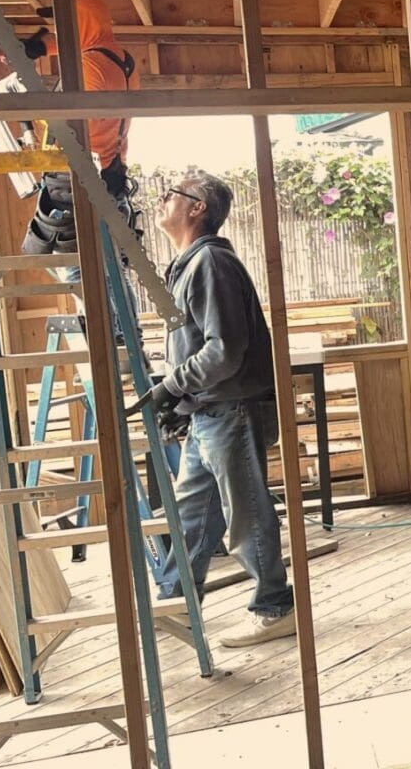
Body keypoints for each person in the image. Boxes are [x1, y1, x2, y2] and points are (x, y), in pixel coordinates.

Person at [148, 171, 297, 648]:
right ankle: (177, 606)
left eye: (172, 193)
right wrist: (179, 394)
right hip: (208, 410)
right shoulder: (190, 265)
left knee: (246, 512)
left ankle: (276, 607)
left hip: (230, 409)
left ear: (197, 208)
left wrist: (172, 385)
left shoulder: (209, 262)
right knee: (192, 512)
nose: (163, 199)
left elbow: (225, 351)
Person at [13, 0, 143, 274]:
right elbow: (68, 44)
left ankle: (103, 320)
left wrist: (34, 110)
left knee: (81, 272)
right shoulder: (120, 58)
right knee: (108, 272)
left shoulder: (87, 66)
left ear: (80, 22)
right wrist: (34, 48)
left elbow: (78, 125)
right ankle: (114, 319)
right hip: (110, 171)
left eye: (64, 22)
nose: (58, 30)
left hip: (79, 180)